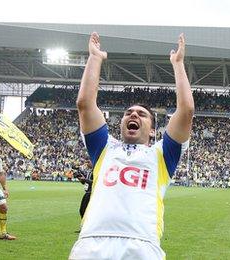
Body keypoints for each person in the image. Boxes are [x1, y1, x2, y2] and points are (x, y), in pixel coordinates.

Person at [68, 32, 193, 259]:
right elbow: (84, 104)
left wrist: (178, 64)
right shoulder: (104, 147)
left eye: (142, 114)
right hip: (92, 243)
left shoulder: (162, 155)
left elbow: (186, 111)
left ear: (153, 130)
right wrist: (95, 58)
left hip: (141, 245)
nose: (133, 114)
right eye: (128, 113)